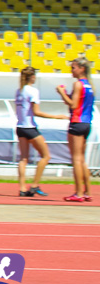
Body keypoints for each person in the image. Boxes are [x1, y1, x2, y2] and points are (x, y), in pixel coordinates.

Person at [14, 67, 64, 197]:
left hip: (20, 127)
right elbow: (36, 112)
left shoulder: (18, 91)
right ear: (32, 77)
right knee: (46, 156)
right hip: (30, 128)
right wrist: (57, 116)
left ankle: (22, 188)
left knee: (23, 159)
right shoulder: (33, 91)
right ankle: (35, 185)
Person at [57, 58, 93, 202]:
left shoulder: (78, 84)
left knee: (76, 159)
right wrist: (66, 94)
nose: (72, 70)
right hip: (86, 123)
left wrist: (61, 92)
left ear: (81, 68)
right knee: (82, 160)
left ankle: (78, 193)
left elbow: (73, 105)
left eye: (74, 68)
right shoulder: (88, 85)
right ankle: (87, 191)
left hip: (76, 123)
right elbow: (78, 102)